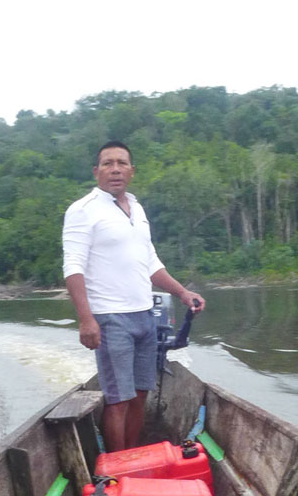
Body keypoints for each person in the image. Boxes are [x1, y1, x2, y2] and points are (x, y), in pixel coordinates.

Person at [62, 141, 205, 451]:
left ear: (132, 170)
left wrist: (182, 292)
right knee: (119, 400)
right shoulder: (82, 210)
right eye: (108, 163)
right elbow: (73, 267)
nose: (115, 169)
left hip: (145, 317)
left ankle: (136, 459)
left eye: (122, 163)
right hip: (110, 318)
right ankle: (118, 468)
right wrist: (86, 320)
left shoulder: (137, 209)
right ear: (96, 171)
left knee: (141, 395)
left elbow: (150, 262)